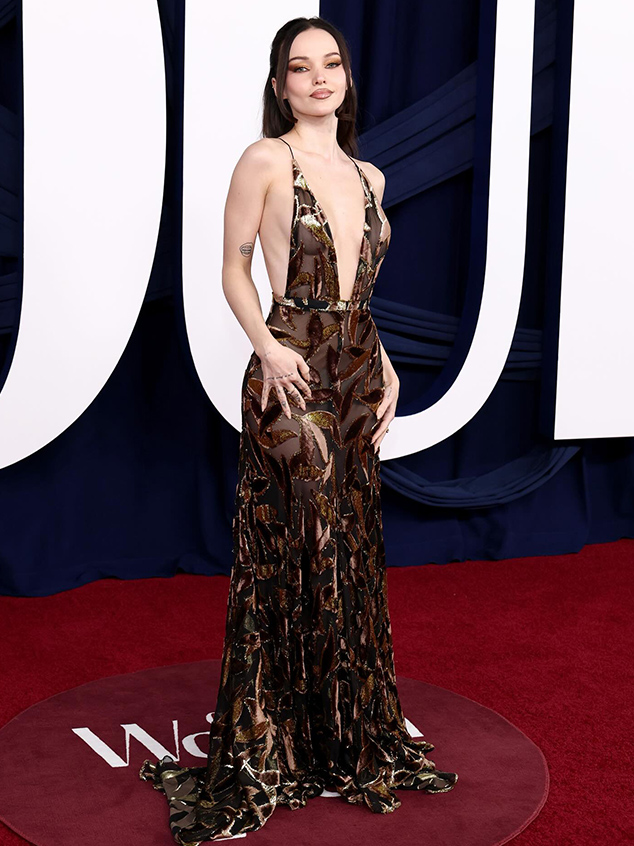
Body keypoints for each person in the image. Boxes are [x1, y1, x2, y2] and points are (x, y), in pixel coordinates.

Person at [139, 16, 458, 844]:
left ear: (346, 77)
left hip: (357, 377)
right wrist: (267, 346)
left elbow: (359, 294)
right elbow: (232, 265)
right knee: (301, 544)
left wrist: (386, 365)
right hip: (292, 374)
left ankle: (342, 736)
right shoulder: (265, 159)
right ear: (280, 86)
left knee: (350, 547)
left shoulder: (370, 175)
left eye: (332, 63)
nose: (319, 77)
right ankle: (274, 737)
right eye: (300, 67)